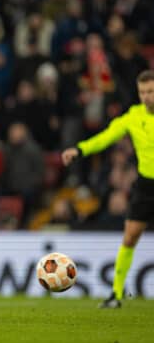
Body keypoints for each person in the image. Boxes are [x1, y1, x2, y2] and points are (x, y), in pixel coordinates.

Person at [61, 69, 154, 309]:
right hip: (146, 185)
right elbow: (106, 137)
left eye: (151, 91)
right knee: (130, 236)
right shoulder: (133, 117)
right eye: (143, 92)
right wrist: (79, 150)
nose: (147, 96)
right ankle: (116, 294)